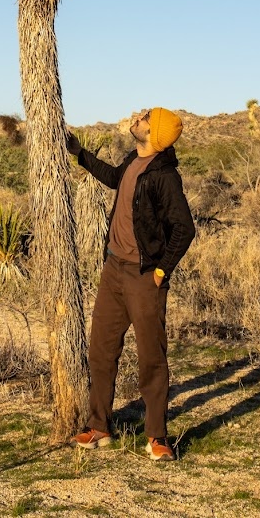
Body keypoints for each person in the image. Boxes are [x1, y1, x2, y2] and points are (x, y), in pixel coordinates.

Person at [67, 107, 195, 461]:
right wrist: (79, 153)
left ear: (154, 134)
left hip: (143, 275)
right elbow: (113, 178)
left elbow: (185, 228)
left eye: (146, 117)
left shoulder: (165, 176)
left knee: (151, 357)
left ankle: (157, 437)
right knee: (101, 349)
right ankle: (100, 426)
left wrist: (160, 271)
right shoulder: (132, 160)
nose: (138, 116)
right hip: (113, 270)